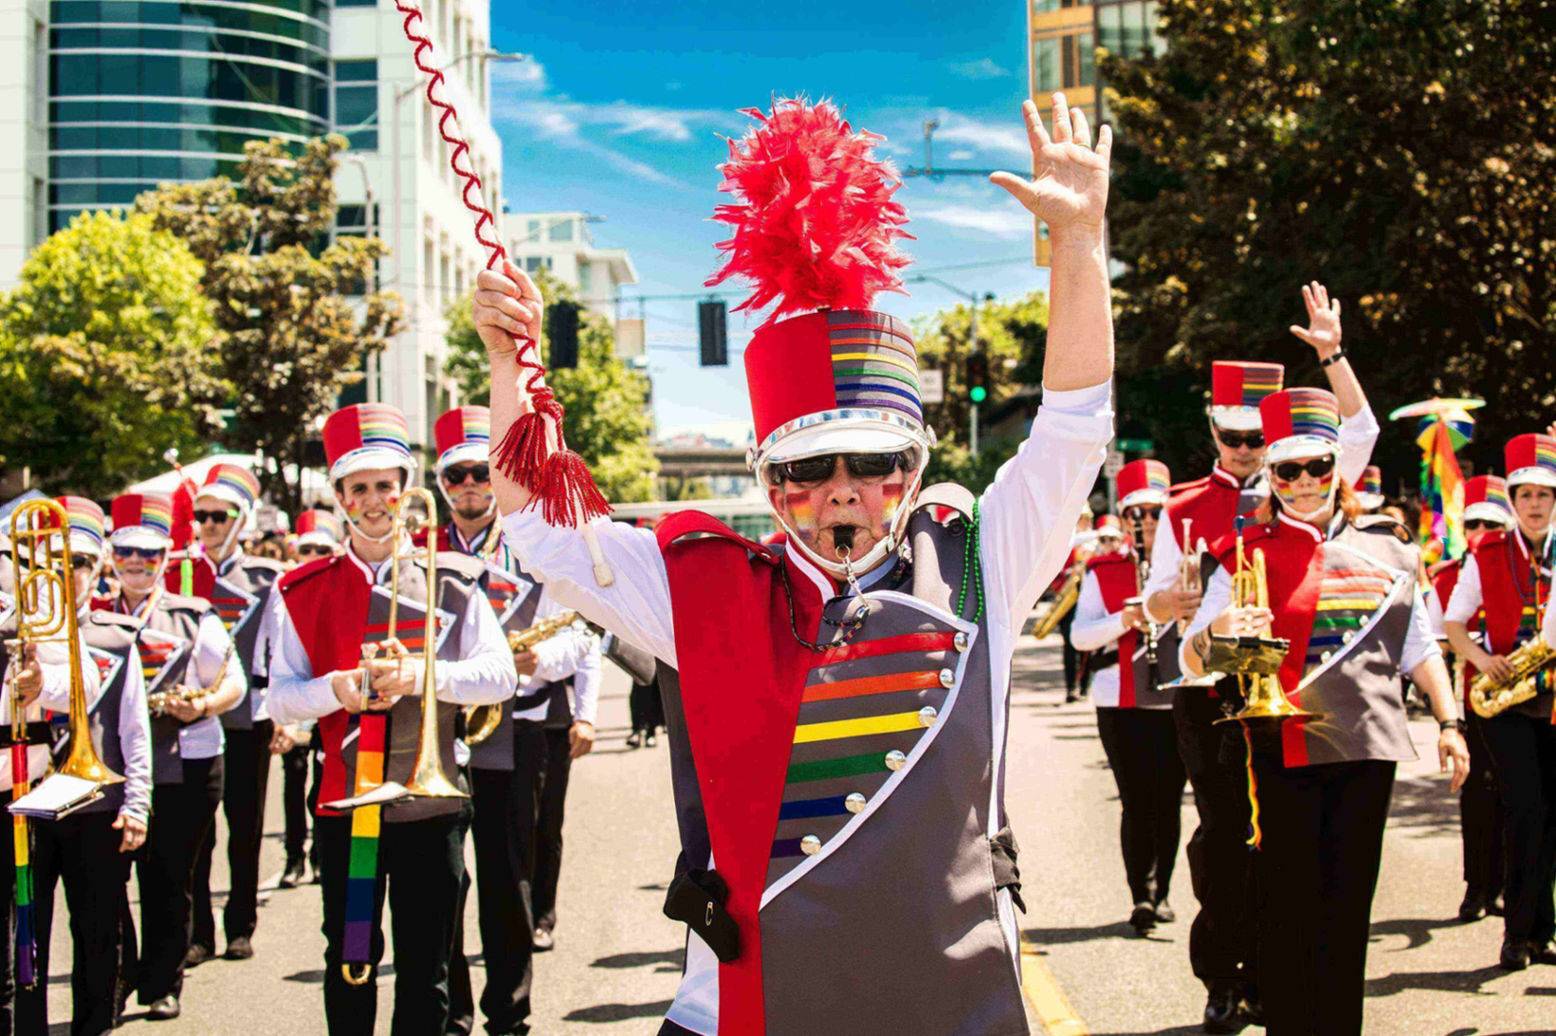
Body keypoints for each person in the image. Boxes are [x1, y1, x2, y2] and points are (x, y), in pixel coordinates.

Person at [475, 94, 1111, 1035]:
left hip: (955, 1004)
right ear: (769, 483)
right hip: (745, 1005)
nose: (843, 489)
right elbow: (543, 533)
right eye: (810, 468)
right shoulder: (703, 584)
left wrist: (1080, 247)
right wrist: (506, 364)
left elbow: (1069, 432)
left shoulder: (982, 560)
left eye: (877, 464)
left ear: (916, 470)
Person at [1181, 386, 1469, 1036]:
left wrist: (1450, 723)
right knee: (1287, 910)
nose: (1304, 482)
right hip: (1279, 750)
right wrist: (1217, 629)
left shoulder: (1390, 547)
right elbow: (1190, 665)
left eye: (1317, 468)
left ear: (1338, 470)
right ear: (1272, 474)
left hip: (1367, 751)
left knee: (1346, 914)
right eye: (1287, 469)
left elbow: (1419, 647)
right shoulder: (1240, 553)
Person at [1142, 282, 1380, 1033]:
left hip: (1290, 694)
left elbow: (1362, 428)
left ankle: (1278, 980)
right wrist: (1172, 607)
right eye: (1232, 439)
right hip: (1210, 690)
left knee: (1284, 851)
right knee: (1225, 843)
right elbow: (1152, 604)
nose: (1245, 453)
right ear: (1212, 433)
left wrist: (1332, 354)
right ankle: (1223, 973)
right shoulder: (1181, 508)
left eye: (1256, 441)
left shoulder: (1305, 471)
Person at [265, 402, 515, 1036]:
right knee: (349, 958)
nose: (373, 501)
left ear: (405, 491)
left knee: (427, 969)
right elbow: (280, 699)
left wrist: (426, 675)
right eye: (358, 488)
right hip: (344, 803)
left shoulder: (455, 579)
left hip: (429, 805)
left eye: (384, 486)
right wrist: (335, 690)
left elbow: (501, 675)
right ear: (339, 496)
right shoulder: (300, 589)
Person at [426, 404, 598, 1034]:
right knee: (444, 882)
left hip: (519, 726)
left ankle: (510, 1012)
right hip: (439, 730)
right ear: (442, 484)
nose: (471, 485)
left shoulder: (536, 545)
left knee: (506, 877)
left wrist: (537, 661)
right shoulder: (419, 553)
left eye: (482, 472)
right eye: (457, 475)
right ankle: (455, 1013)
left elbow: (580, 638)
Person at [103, 491, 247, 1021]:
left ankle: (164, 984)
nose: (137, 563)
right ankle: (115, 980)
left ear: (168, 557)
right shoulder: (93, 618)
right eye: (125, 553)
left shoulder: (193, 615)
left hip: (188, 760)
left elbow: (233, 682)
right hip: (114, 767)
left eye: (150, 553)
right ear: (109, 557)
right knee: (108, 880)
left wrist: (203, 704)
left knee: (168, 879)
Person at [12, 496, 150, 1036]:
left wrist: (138, 803)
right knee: (26, 935)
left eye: (82, 562)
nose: (69, 573)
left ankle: (94, 1026)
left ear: (98, 570)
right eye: (59, 559)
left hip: (97, 803)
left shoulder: (116, 634)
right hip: (27, 803)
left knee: (97, 933)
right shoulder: (16, 628)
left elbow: (134, 729)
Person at [1444, 433, 1556, 970]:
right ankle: (1516, 932)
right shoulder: (1485, 553)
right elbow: (1453, 622)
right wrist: (1482, 658)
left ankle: (1544, 932)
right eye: (1526, 495)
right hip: (1510, 700)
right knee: (1525, 812)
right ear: (1513, 500)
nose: (1535, 505)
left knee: (1552, 816)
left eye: (1545, 494)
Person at [1070, 460, 1187, 933]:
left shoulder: (1190, 567)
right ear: (1124, 518)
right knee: (1137, 800)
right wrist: (1126, 619)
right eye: (1137, 515)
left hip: (1180, 697)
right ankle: (1141, 894)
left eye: (1156, 514)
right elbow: (1080, 636)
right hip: (1120, 703)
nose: (1147, 525)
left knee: (1171, 799)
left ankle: (1163, 894)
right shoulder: (1105, 569)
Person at [177, 463, 286, 966]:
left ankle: (240, 923)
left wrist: (283, 714)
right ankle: (198, 933)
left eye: (221, 515)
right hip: (190, 721)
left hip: (248, 718)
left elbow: (279, 649)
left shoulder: (267, 579)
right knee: (195, 833)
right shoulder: (179, 573)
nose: (211, 524)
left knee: (246, 826)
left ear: (240, 521)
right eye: (202, 515)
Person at [1430, 475, 1513, 922]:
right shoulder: (1444, 579)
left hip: (1518, 701)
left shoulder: (1519, 566)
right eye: (1474, 522)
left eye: (1492, 522)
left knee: (1513, 796)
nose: (1482, 530)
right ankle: (1476, 886)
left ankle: (1503, 887)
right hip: (1469, 705)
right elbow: (1434, 647)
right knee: (1476, 797)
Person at [272, 509, 343, 889]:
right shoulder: (283, 589)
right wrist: (281, 715)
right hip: (298, 698)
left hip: (331, 701)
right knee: (292, 779)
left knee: (320, 785)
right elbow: (274, 652)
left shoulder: (338, 585)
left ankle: (319, 853)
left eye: (321, 548)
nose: (313, 553)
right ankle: (293, 857)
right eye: (306, 548)